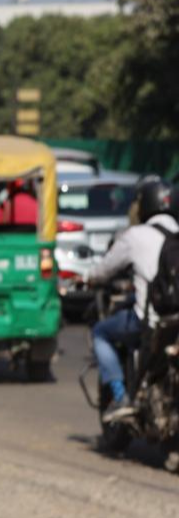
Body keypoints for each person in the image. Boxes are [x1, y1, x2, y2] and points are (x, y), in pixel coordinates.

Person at [86, 178, 177, 422]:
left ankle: (120, 396)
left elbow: (103, 270)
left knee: (100, 333)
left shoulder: (135, 235)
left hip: (148, 319)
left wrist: (88, 278)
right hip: (174, 319)